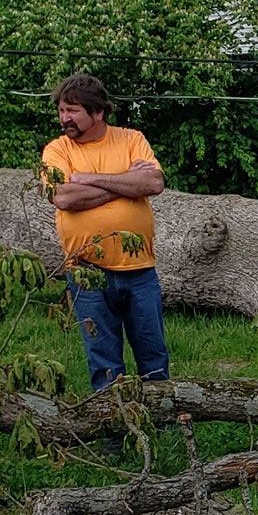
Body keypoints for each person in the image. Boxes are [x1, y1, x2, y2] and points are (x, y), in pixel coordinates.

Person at [41, 73, 170, 391]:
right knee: (104, 363)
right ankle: (114, 433)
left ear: (97, 112)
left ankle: (161, 428)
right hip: (86, 273)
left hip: (139, 271)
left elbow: (153, 183)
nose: (64, 119)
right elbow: (62, 197)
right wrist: (126, 182)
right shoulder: (57, 150)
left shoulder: (131, 139)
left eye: (72, 111)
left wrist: (88, 178)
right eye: (61, 111)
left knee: (153, 359)